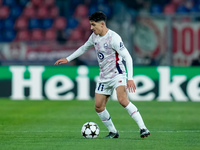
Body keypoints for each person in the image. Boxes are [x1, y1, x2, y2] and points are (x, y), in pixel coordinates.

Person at [54, 11, 150, 139]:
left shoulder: (113, 38)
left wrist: (130, 78)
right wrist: (68, 59)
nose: (91, 28)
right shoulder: (94, 37)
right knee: (98, 107)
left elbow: (128, 57)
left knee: (122, 100)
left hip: (117, 74)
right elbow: (83, 48)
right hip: (104, 77)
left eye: (93, 25)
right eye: (90, 25)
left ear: (102, 24)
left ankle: (143, 128)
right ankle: (113, 132)